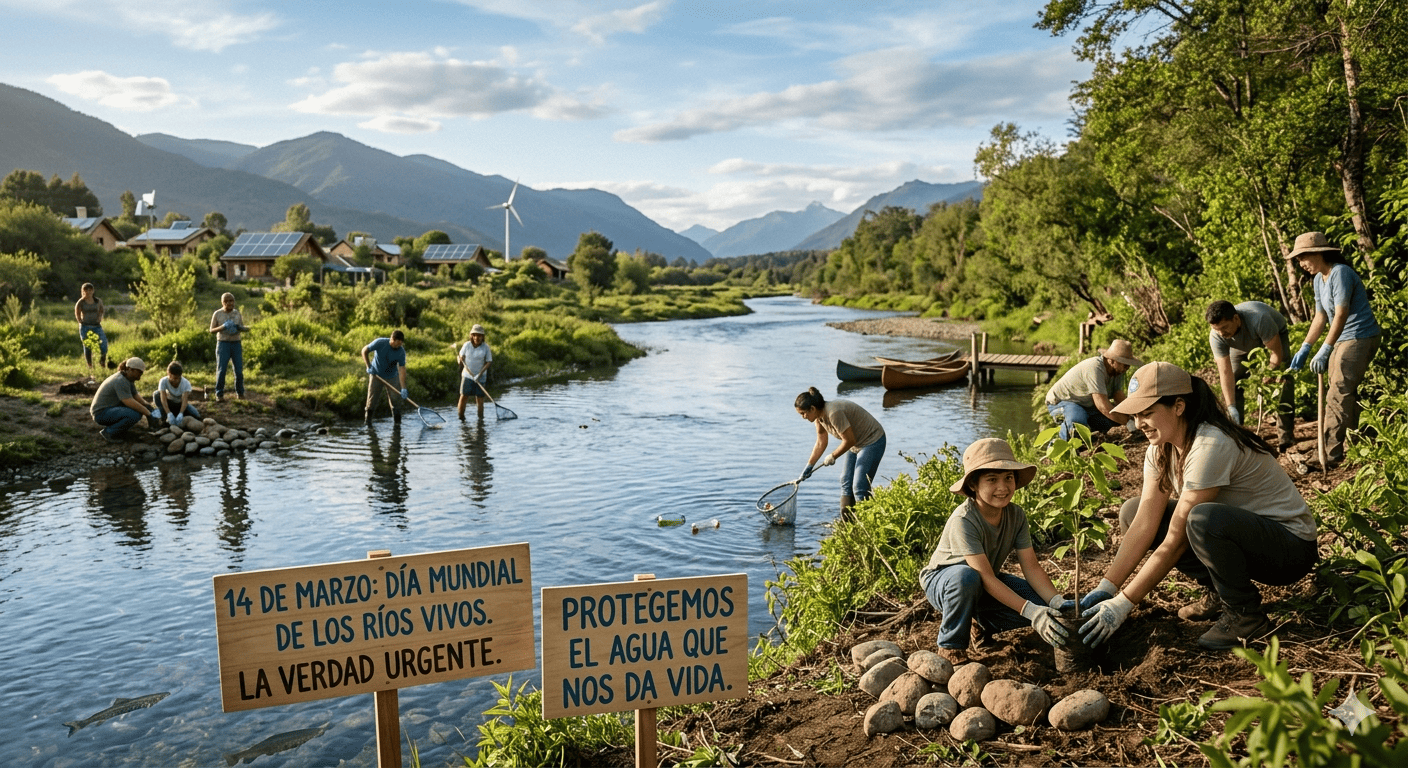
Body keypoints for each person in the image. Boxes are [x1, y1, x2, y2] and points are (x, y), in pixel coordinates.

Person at [1077, 362, 1317, 651]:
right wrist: (1108, 587)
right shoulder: (1160, 449)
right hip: (1243, 539)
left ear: (1178, 406)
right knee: (1131, 510)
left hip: (1289, 548)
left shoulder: (1210, 444)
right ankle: (1221, 591)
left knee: (1202, 519)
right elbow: (1144, 524)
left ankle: (1245, 615)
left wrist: (1125, 603)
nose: (1139, 423)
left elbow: (1176, 540)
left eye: (1147, 413)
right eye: (1136, 415)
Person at [918, 438, 1068, 665]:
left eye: (1008, 478)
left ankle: (979, 623)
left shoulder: (1016, 515)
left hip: (986, 580)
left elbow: (1031, 566)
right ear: (973, 486)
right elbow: (983, 577)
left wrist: (1055, 602)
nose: (1003, 487)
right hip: (946, 582)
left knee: (1042, 605)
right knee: (967, 577)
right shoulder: (964, 519)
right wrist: (1029, 611)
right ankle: (950, 646)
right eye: (992, 479)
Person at [1284, 231, 1381, 469]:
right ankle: (1361, 442)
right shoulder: (1319, 279)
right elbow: (1320, 316)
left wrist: (1325, 348)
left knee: (1337, 394)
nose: (1301, 264)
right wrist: (1306, 347)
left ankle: (1328, 455)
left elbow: (1341, 313)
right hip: (1342, 338)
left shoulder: (1340, 273)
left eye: (1303, 257)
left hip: (1360, 335)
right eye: (1298, 260)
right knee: (1341, 393)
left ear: (1318, 253)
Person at [1206, 300, 1295, 450]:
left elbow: (1275, 354)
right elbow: (1225, 372)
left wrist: (1269, 373)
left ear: (1235, 319)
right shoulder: (1218, 336)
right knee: (1234, 382)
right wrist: (1230, 406)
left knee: (1283, 380)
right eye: (1217, 330)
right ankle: (1237, 436)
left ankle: (1286, 438)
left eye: (1224, 327)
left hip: (1274, 335)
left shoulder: (1259, 319)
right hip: (1239, 346)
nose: (1221, 333)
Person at [794, 387, 885, 518]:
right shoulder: (819, 418)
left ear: (812, 409)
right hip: (855, 444)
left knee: (859, 487)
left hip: (872, 441)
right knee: (845, 482)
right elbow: (821, 442)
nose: (803, 417)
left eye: (803, 413)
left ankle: (869, 524)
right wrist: (809, 466)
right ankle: (847, 524)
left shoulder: (833, 413)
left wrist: (833, 456)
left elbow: (849, 440)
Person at [1045, 340, 1142, 441]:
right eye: (1125, 364)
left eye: (1128, 364)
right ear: (1111, 360)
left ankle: (1087, 438)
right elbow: (1102, 406)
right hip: (1062, 401)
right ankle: (1061, 447)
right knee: (1077, 422)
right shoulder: (1095, 368)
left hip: (1086, 404)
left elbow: (1117, 394)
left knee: (1110, 421)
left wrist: (1132, 414)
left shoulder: (1118, 371)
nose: (1127, 367)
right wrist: (1127, 422)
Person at [91, 357, 154, 442]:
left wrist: (147, 406)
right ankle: (109, 432)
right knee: (134, 415)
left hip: (110, 409)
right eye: (139, 372)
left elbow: (135, 396)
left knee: (139, 410)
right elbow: (128, 401)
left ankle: (119, 430)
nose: (140, 375)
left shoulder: (128, 379)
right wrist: (148, 413)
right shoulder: (120, 380)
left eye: (141, 373)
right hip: (101, 413)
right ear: (129, 369)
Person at [362, 329, 408, 423]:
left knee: (396, 401)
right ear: (392, 339)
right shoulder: (380, 342)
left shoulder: (401, 352)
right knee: (371, 401)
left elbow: (402, 369)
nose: (399, 346)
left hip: (392, 377)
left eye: (401, 344)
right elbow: (364, 350)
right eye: (397, 344)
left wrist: (403, 388)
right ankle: (368, 423)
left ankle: (397, 425)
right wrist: (368, 366)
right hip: (376, 375)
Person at [209, 293, 247, 401]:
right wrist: (223, 327)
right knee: (222, 370)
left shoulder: (237, 314)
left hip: (236, 343)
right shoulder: (217, 314)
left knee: (238, 370)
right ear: (223, 302)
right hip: (223, 343)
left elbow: (241, 326)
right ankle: (219, 394)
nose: (230, 303)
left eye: (232, 301)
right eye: (228, 301)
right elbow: (211, 330)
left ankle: (240, 393)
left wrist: (243, 328)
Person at [457, 324, 493, 420]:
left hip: (480, 377)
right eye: (475, 335)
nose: (477, 337)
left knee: (480, 399)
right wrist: (460, 359)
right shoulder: (467, 345)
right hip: (467, 375)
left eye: (479, 335)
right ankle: (461, 418)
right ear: (472, 336)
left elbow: (489, 362)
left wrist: (479, 374)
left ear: (482, 337)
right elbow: (460, 356)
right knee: (464, 396)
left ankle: (480, 420)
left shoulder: (486, 347)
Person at [74, 282, 108, 381]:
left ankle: (102, 363)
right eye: (86, 290)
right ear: (83, 291)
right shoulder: (81, 302)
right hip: (85, 326)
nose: (88, 292)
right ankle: (90, 367)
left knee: (103, 343)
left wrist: (100, 318)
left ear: (93, 291)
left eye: (90, 290)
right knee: (88, 346)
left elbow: (101, 310)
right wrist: (80, 321)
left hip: (96, 326)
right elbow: (77, 312)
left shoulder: (98, 301)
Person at [151, 361, 200, 426]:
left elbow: (185, 400)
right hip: (169, 402)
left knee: (196, 415)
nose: (175, 380)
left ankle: (177, 414)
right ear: (168, 374)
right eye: (173, 378)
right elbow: (163, 398)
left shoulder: (186, 383)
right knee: (156, 394)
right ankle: (164, 416)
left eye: (177, 378)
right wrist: (168, 413)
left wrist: (181, 413)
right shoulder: (163, 381)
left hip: (180, 404)